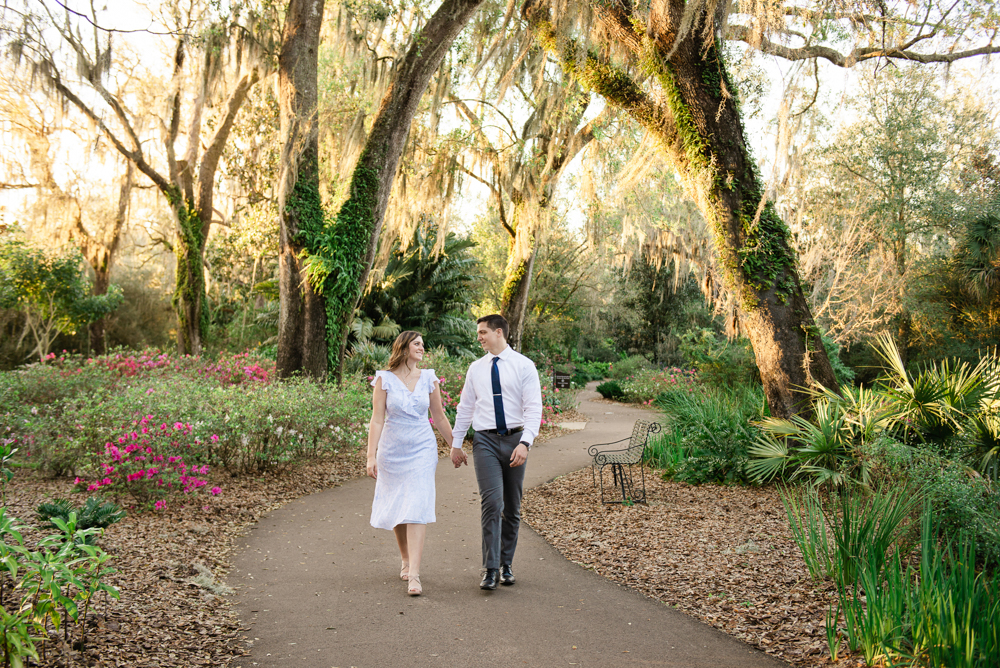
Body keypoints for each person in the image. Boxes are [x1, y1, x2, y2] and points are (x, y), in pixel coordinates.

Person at [450, 314, 543, 590]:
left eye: (482, 332)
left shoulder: (524, 366)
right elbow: (465, 407)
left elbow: (534, 408)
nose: (478, 337)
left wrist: (525, 443)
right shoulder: (475, 369)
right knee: (492, 503)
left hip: (515, 440)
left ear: (498, 332)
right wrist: (457, 443)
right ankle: (490, 569)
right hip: (485, 442)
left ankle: (506, 565)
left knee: (512, 508)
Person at [367, 331, 454, 596]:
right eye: (417, 343)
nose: (422, 348)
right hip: (392, 451)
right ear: (403, 347)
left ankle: (414, 574)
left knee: (416, 504)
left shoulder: (429, 378)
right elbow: (377, 419)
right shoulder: (384, 379)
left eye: (423, 345)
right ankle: (404, 558)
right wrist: (371, 455)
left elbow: (439, 417)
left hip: (421, 449)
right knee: (398, 505)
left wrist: (455, 446)